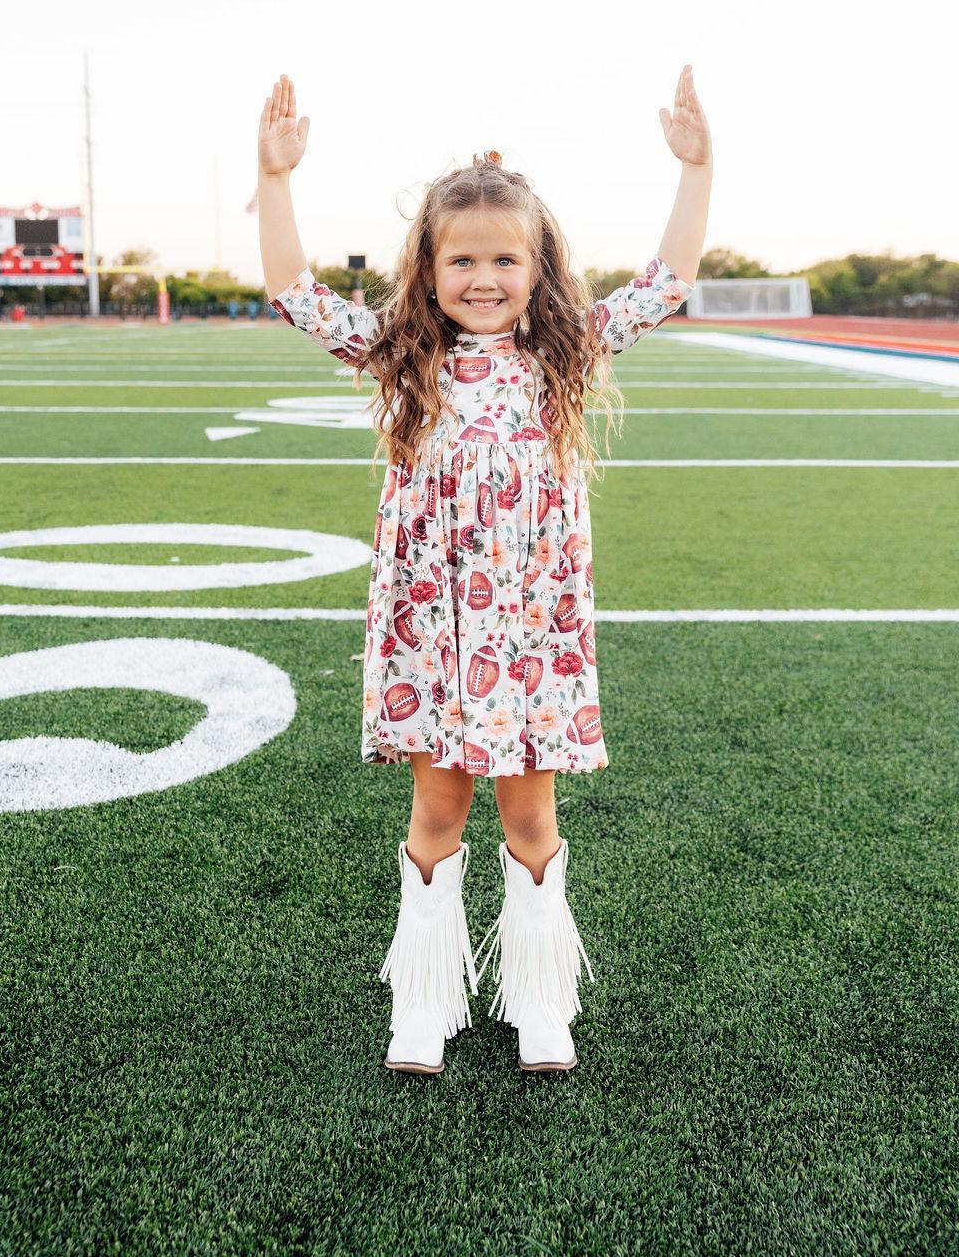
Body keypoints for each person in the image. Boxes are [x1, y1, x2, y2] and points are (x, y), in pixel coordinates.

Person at [257, 70, 713, 1076]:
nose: (483, 277)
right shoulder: (401, 354)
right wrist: (273, 176)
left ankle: (540, 996)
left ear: (537, 266)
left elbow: (668, 278)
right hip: (431, 633)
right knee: (436, 810)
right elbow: (295, 292)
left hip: (529, 632)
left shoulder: (566, 352)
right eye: (459, 258)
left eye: (505, 258)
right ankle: (425, 1000)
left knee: (530, 810)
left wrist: (695, 165)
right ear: (426, 269)